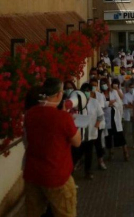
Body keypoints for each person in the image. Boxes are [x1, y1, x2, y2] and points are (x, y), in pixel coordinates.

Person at [24, 78, 81, 217]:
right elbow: (77, 142)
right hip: (57, 176)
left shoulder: (30, 114)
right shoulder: (63, 117)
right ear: (59, 94)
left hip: (33, 174)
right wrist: (71, 121)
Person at [73, 83, 104, 180]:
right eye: (84, 91)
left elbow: (100, 115)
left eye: (88, 91)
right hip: (79, 133)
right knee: (76, 153)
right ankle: (71, 172)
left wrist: (96, 126)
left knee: (89, 153)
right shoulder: (77, 102)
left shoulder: (95, 102)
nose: (86, 93)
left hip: (91, 133)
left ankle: (88, 171)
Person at [101, 78, 129, 161]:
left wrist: (112, 104)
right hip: (106, 118)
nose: (104, 85)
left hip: (115, 117)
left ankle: (125, 152)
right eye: (102, 83)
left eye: (105, 83)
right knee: (108, 137)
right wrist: (109, 103)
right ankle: (110, 153)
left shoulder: (114, 92)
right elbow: (101, 105)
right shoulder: (100, 95)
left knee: (120, 136)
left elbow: (119, 103)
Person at [89, 78, 107, 170]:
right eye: (92, 85)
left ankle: (100, 161)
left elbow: (101, 109)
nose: (93, 87)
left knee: (98, 142)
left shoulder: (100, 96)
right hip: (88, 124)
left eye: (95, 85)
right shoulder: (86, 96)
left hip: (98, 123)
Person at [123, 82, 134, 148]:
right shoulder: (125, 95)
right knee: (126, 130)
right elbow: (126, 105)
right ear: (128, 88)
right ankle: (124, 143)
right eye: (131, 87)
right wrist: (132, 105)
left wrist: (131, 105)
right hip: (127, 114)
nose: (132, 88)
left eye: (133, 87)